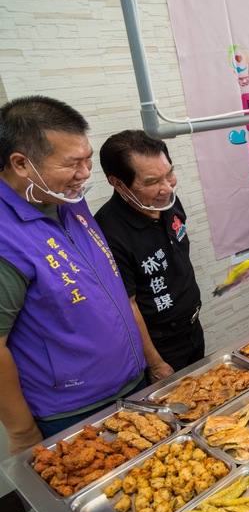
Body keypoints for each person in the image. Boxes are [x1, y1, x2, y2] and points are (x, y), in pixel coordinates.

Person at [0, 96, 151, 452]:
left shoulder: (66, 198)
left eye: (87, 160)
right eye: (72, 164)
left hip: (132, 382)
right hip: (73, 411)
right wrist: (23, 434)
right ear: (21, 163)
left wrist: (151, 362)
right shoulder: (6, 239)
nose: (85, 173)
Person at [94, 130, 204, 373]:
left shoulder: (167, 201)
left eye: (169, 174)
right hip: (160, 347)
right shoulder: (108, 231)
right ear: (117, 183)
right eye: (152, 182)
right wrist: (155, 363)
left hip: (193, 327)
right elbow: (127, 304)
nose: (166, 188)